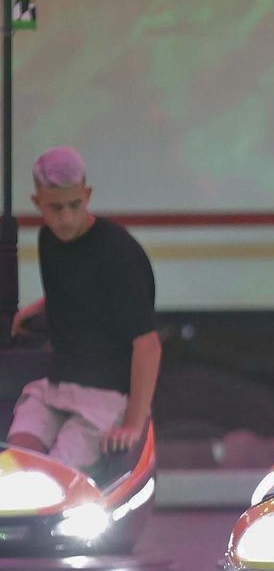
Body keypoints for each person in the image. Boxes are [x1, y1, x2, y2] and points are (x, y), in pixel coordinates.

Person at [7, 148, 159, 470]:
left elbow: (147, 345)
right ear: (38, 203)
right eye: (55, 208)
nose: (66, 218)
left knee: (56, 479)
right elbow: (78, 291)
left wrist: (132, 424)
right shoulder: (49, 240)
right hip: (58, 385)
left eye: (74, 205)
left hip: (105, 396)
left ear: (87, 196)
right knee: (16, 463)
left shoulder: (118, 254)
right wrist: (36, 310)